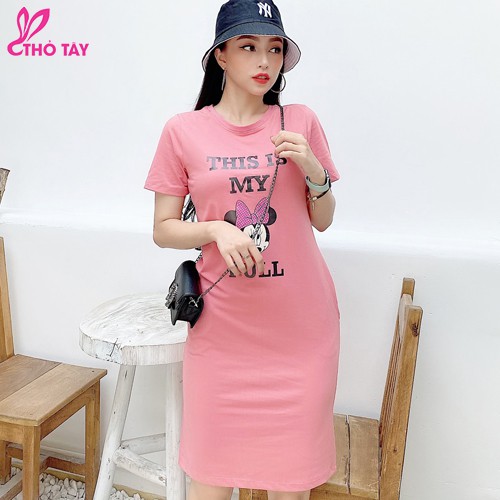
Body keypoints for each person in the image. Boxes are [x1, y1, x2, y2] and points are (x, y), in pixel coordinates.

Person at [145, 1, 341, 499]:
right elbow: (163, 229)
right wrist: (216, 229)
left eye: (274, 49)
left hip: (300, 335)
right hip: (222, 337)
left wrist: (314, 170)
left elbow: (322, 219)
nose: (264, 61)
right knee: (209, 480)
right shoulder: (183, 130)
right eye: (249, 47)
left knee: (291, 484)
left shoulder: (300, 121)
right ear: (221, 56)